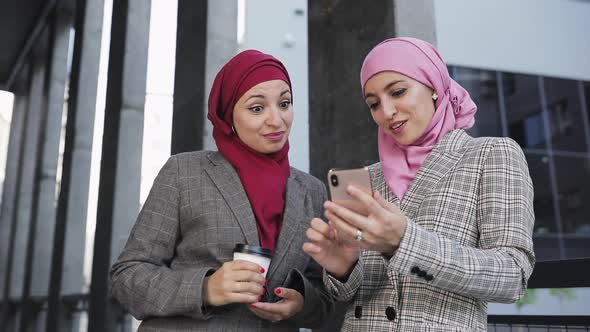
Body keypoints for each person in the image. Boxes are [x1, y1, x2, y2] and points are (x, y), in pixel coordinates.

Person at [303, 37, 535, 331]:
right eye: (374, 104)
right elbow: (348, 294)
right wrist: (344, 268)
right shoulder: (370, 177)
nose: (386, 112)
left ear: (433, 86)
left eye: (398, 92)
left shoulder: (490, 154)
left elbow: (512, 276)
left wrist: (404, 242)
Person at [109, 50, 333, 331]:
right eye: (257, 108)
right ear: (228, 115)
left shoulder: (312, 191)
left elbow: (324, 297)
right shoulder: (184, 172)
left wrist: (301, 304)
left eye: (284, 103)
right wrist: (205, 288)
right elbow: (126, 277)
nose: (277, 120)